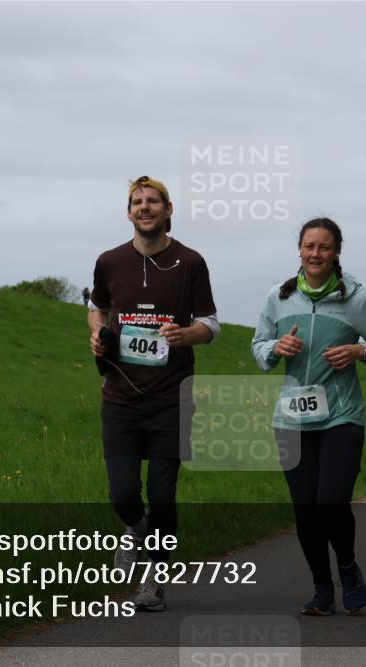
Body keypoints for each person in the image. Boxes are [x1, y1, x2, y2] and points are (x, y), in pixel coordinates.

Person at [87, 176, 219, 612]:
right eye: (137, 202)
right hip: (120, 397)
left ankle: (155, 582)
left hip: (171, 398)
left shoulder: (191, 262)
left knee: (162, 495)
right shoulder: (109, 261)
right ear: (129, 212)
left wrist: (186, 334)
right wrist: (97, 334)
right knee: (123, 494)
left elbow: (211, 324)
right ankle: (136, 528)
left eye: (153, 201)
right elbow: (97, 307)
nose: (145, 207)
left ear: (168, 210)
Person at [251, 217, 366, 616]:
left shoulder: (356, 299)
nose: (315, 254)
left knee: (330, 502)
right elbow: (259, 347)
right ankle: (321, 588)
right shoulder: (278, 298)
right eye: (309, 246)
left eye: (324, 247)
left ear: (336, 253)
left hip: (341, 416)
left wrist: (359, 351)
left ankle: (347, 566)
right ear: (299, 250)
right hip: (292, 420)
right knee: (305, 510)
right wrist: (275, 348)